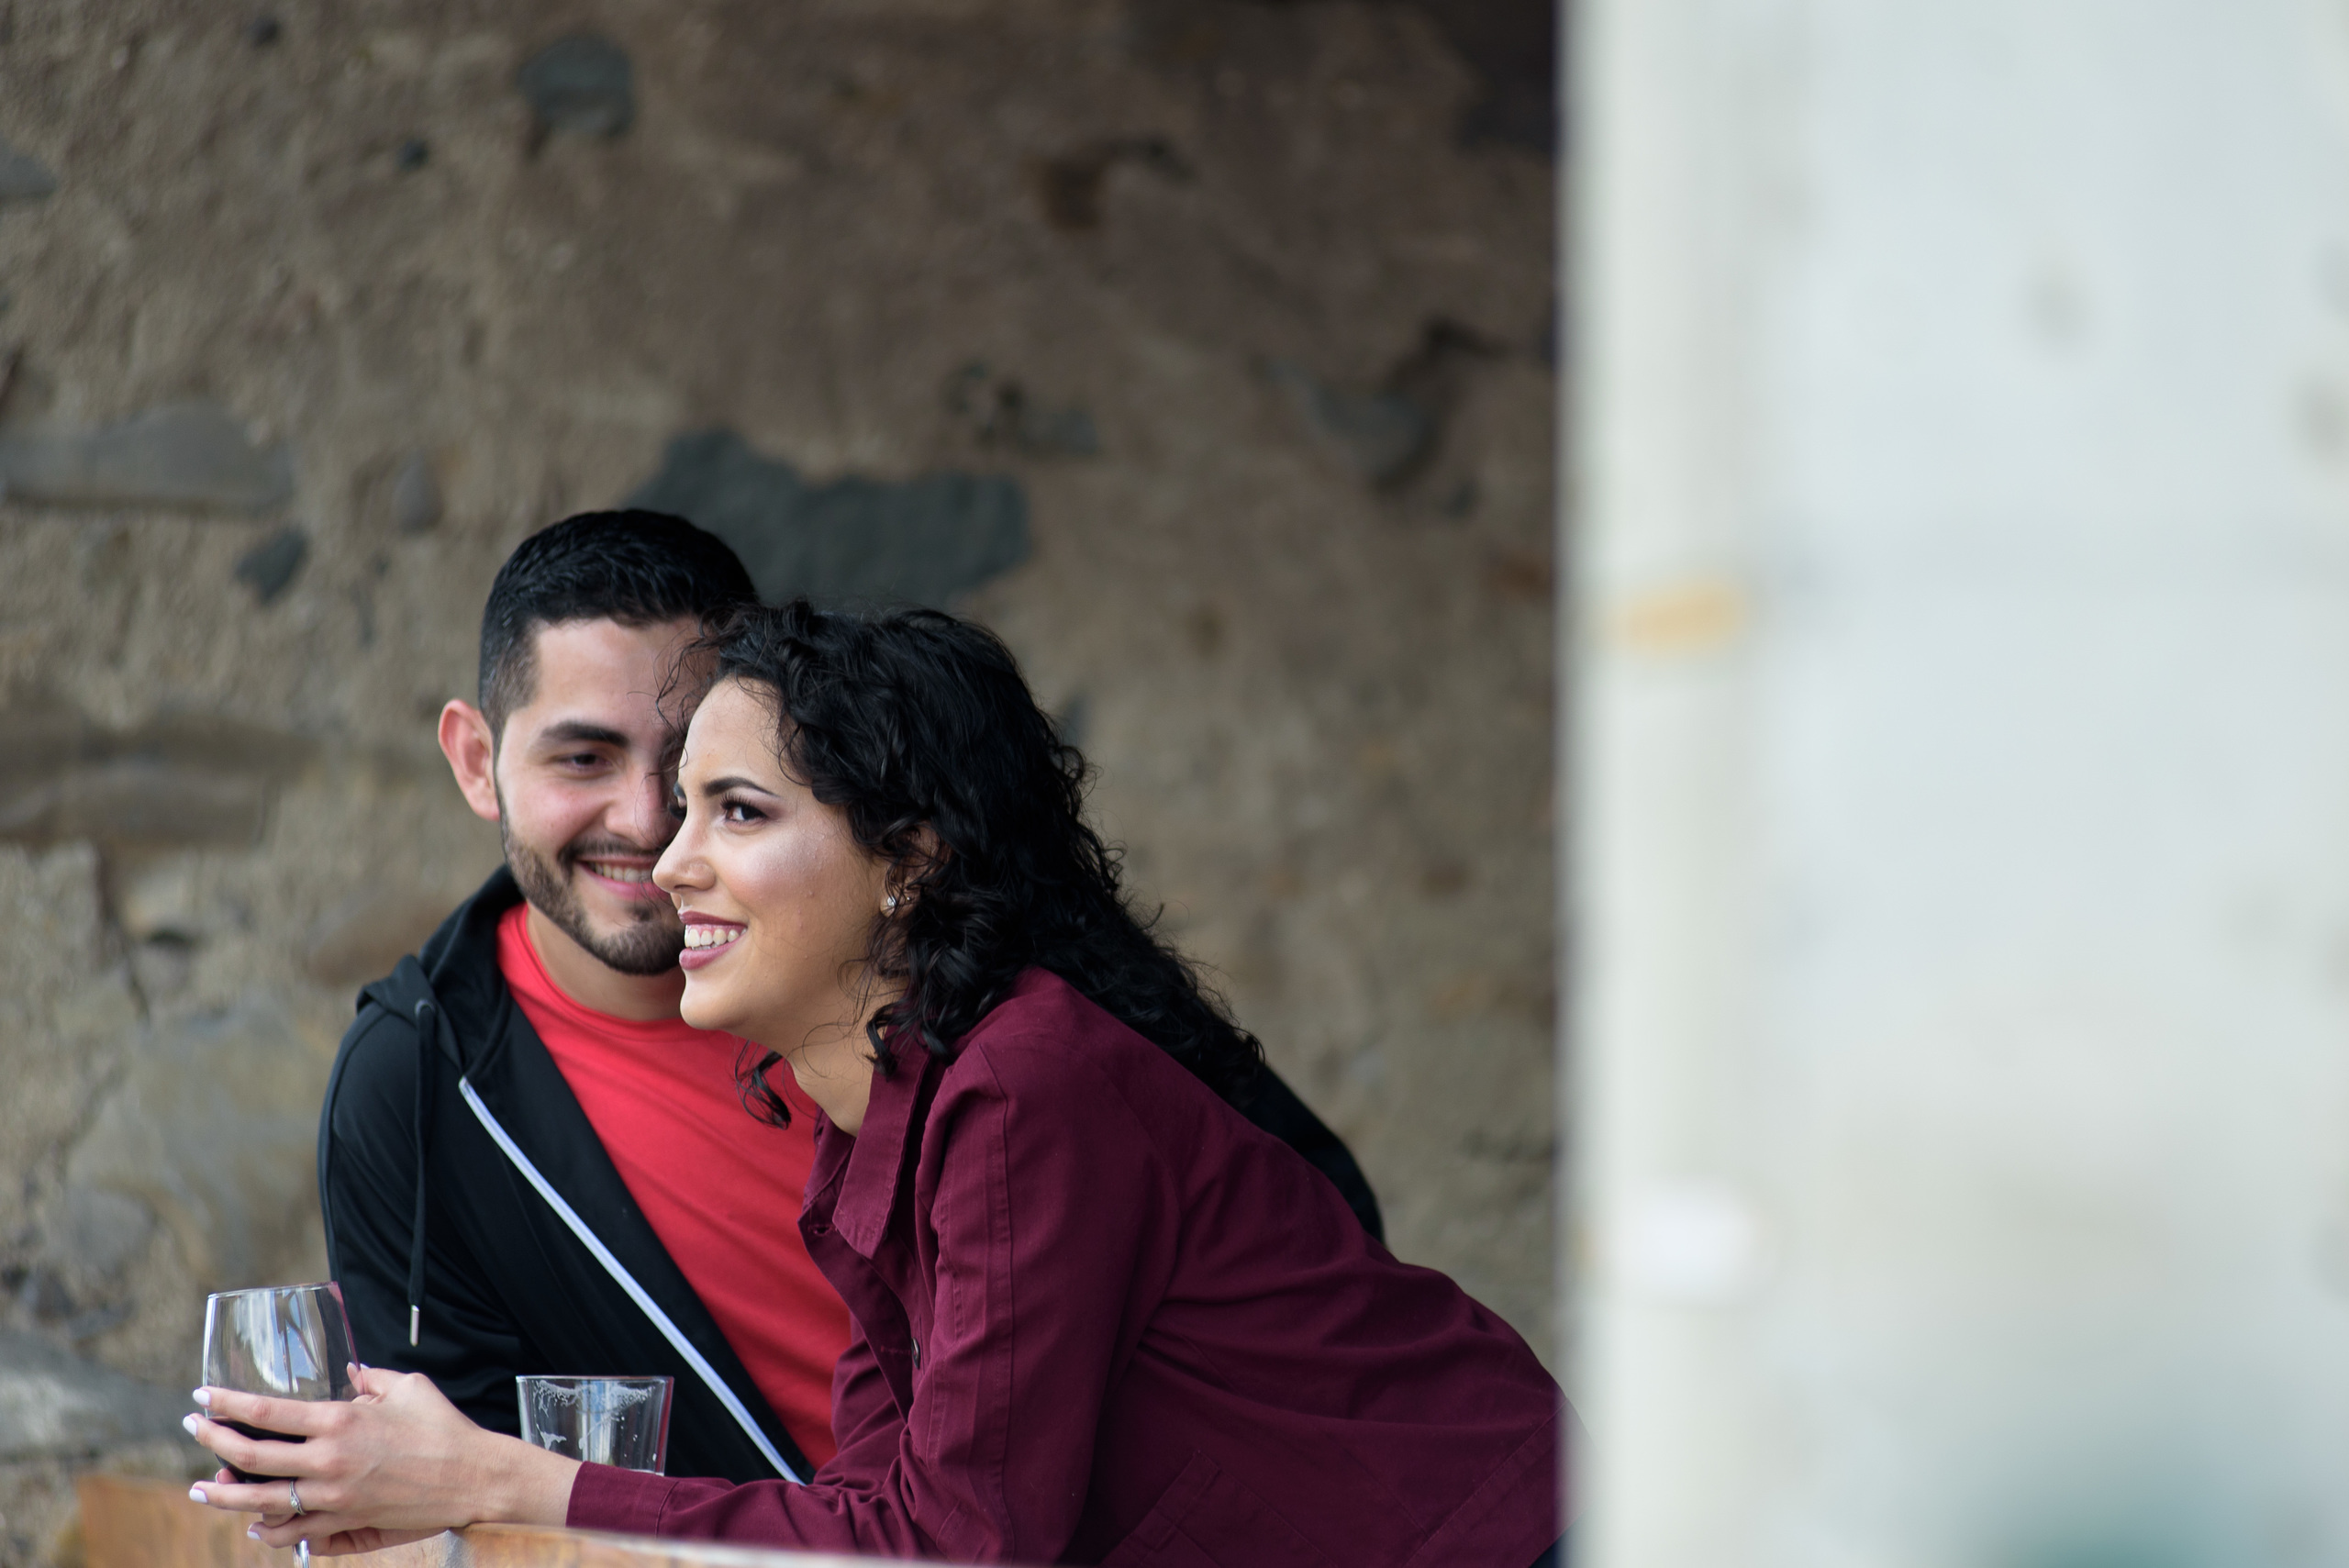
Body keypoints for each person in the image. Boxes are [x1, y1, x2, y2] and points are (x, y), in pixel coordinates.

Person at [193, 600, 1571, 1565]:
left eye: (735, 811)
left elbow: (955, 1549)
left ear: (908, 859)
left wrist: (510, 1475)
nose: (671, 863)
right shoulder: (871, 1123)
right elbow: (870, 1516)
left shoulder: (1021, 1086)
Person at [317, 512, 1386, 1486]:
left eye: (707, 779)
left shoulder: (972, 1014)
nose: (652, 826)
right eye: (584, 755)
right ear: (475, 759)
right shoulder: (416, 1082)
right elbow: (454, 1474)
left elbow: (1302, 1239)